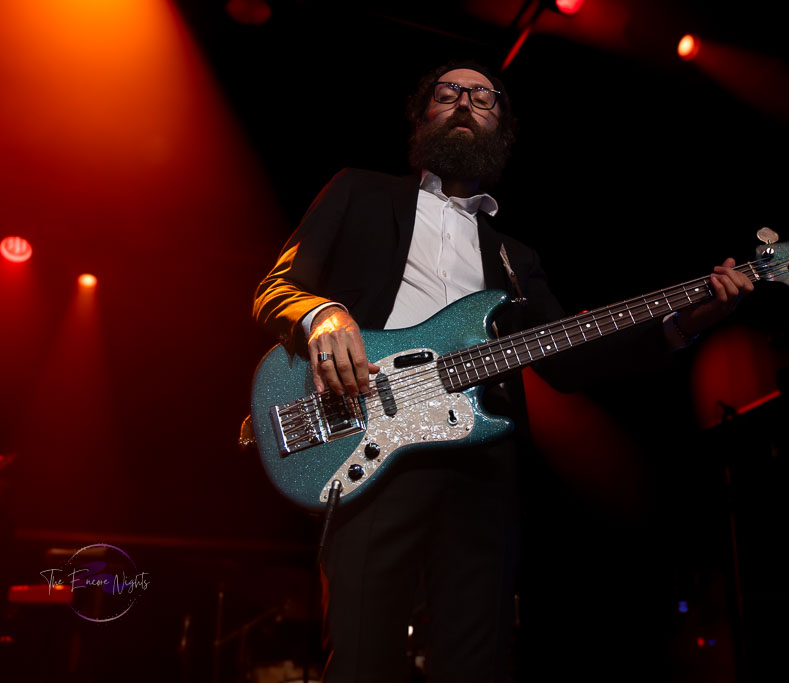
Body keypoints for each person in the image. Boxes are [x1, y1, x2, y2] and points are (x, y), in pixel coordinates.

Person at [253, 60, 753, 683]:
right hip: (369, 444)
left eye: (483, 97)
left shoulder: (515, 257)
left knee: (476, 661)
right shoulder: (359, 191)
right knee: (361, 658)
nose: (465, 101)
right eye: (448, 92)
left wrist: (685, 324)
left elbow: (568, 360)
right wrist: (323, 316)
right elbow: (276, 288)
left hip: (481, 466)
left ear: (502, 129)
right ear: (423, 115)